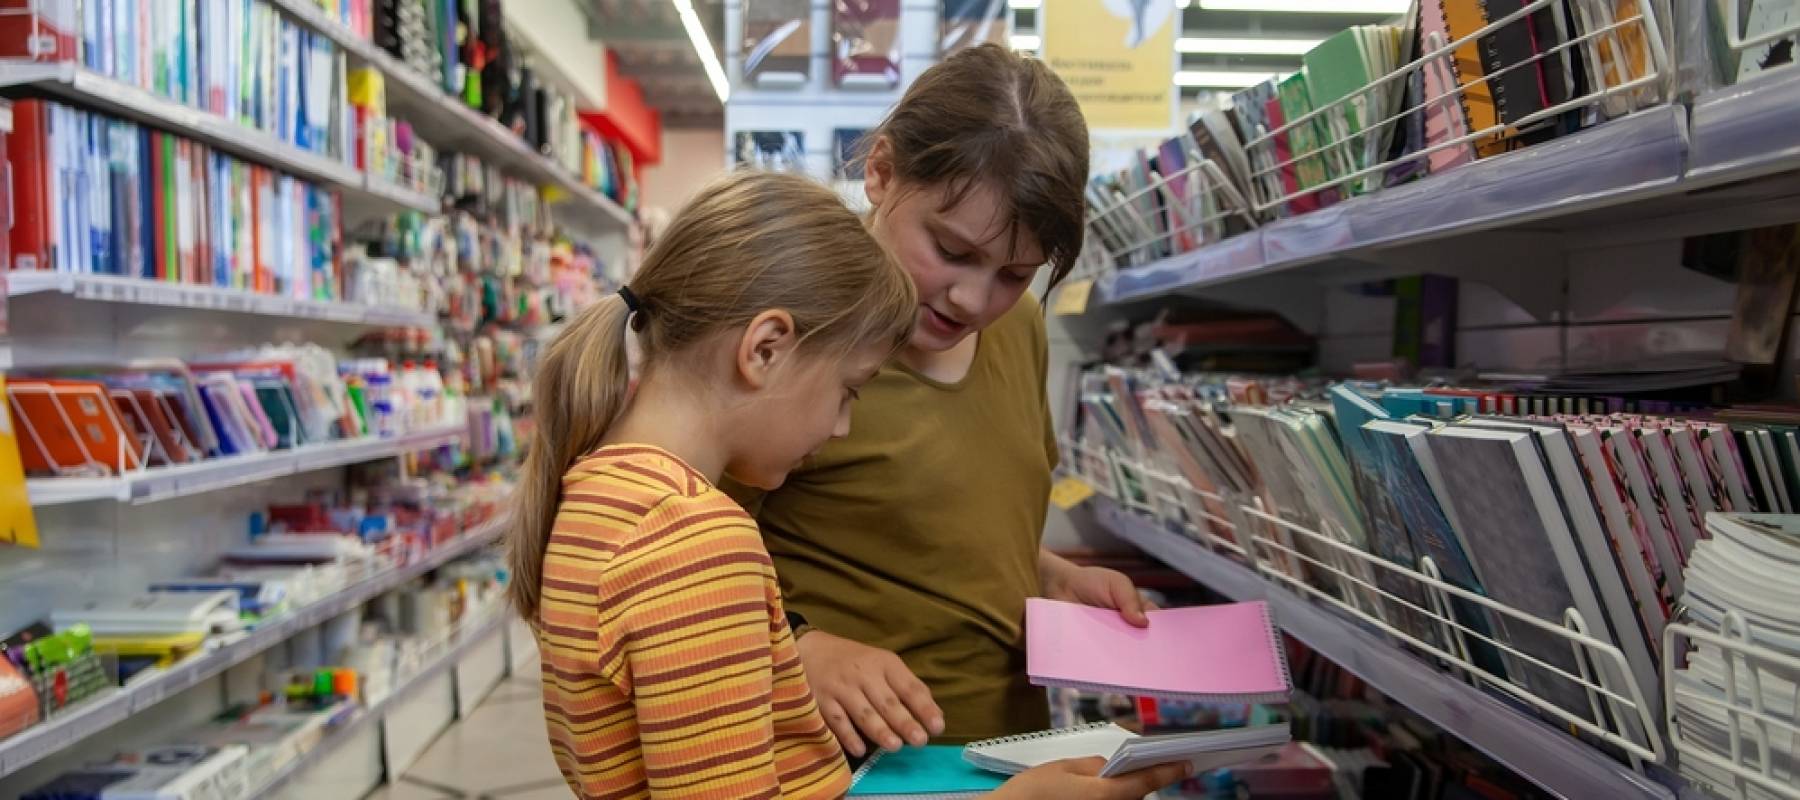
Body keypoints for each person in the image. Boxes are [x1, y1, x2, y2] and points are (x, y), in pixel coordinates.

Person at [508, 171, 1189, 799]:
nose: (840, 426)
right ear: (765, 349)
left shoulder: (595, 490)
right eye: (847, 390)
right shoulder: (697, 539)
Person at [735, 43, 1155, 755]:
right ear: (880, 170)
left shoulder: (1019, 329)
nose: (972, 298)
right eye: (952, 251)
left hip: (1005, 751)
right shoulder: (793, 334)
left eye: (1014, 272)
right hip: (842, 757)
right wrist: (799, 648)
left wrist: (1047, 577)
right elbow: (669, 562)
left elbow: (959, 529)